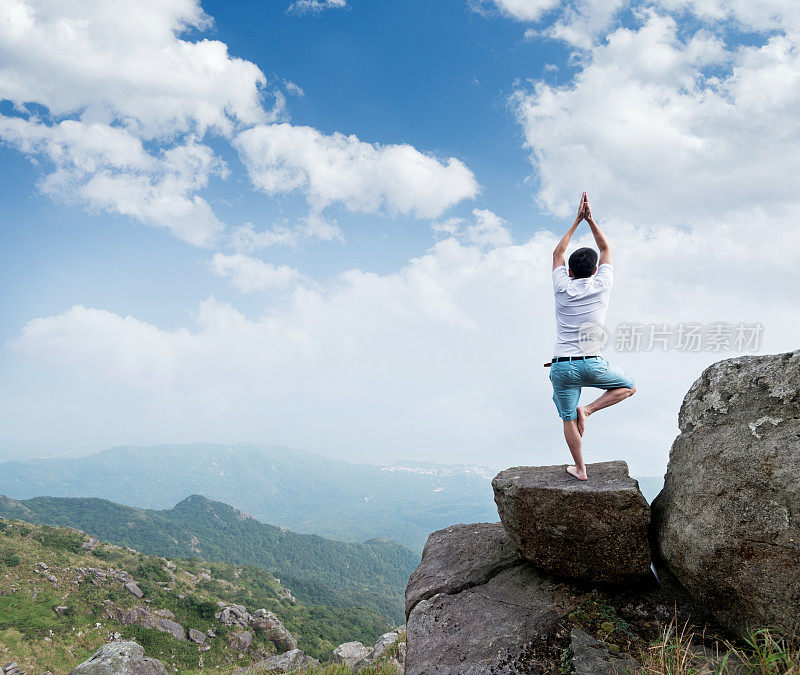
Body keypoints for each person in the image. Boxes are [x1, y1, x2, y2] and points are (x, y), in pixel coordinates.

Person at [549, 192, 636, 481]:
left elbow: (557, 254)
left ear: (570, 272)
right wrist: (591, 220)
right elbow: (606, 247)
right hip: (592, 363)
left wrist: (575, 221)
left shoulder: (562, 286)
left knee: (566, 418)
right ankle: (588, 409)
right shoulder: (602, 284)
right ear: (595, 270)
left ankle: (581, 469)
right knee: (629, 387)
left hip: (562, 366)